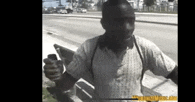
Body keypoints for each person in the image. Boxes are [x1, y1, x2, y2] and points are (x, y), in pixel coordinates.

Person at [43, 0, 178, 102]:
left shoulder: (144, 47)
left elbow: (173, 71)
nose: (127, 28)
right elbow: (64, 85)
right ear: (103, 24)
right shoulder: (89, 48)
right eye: (118, 22)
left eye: (131, 21)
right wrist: (56, 75)